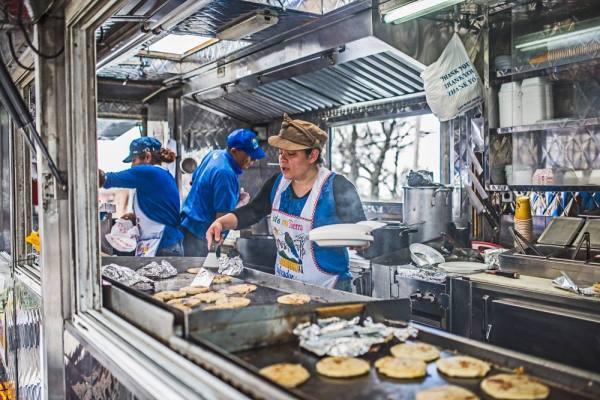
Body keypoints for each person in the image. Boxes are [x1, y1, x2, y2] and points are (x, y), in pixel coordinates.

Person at [206, 114, 366, 291]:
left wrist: (362, 240)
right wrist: (221, 223)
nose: (282, 159)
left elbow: (361, 230)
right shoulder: (278, 183)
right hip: (285, 286)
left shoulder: (337, 187)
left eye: (291, 154)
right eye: (281, 153)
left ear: (312, 155)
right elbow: (253, 211)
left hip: (330, 289)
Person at [180, 129, 266, 256]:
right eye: (250, 156)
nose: (253, 161)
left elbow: (194, 182)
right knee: (203, 272)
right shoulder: (225, 173)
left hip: (188, 224)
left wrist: (231, 195)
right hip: (202, 234)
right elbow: (221, 220)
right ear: (235, 151)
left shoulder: (215, 154)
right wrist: (242, 203)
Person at [99, 136, 184, 257]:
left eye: (134, 160)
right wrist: (136, 217)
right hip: (167, 244)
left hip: (163, 245)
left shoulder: (150, 173)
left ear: (147, 157)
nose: (132, 166)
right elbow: (160, 209)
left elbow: (108, 179)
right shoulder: (160, 174)